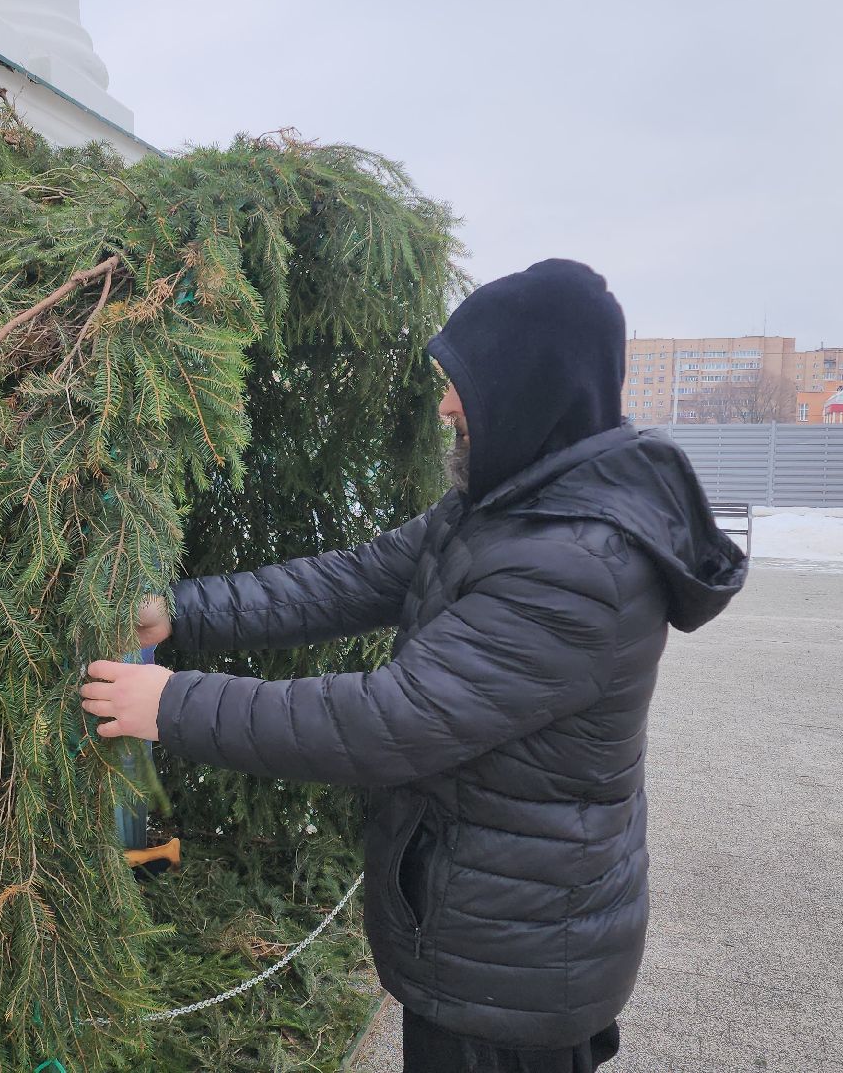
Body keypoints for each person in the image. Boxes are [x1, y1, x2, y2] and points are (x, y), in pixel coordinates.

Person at [80, 259, 748, 1072]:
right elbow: (347, 580)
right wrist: (179, 612)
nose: (445, 406)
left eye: (463, 385)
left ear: (531, 389)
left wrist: (174, 704)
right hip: (485, 936)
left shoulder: (576, 566)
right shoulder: (509, 508)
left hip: (515, 975)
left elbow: (389, 720)